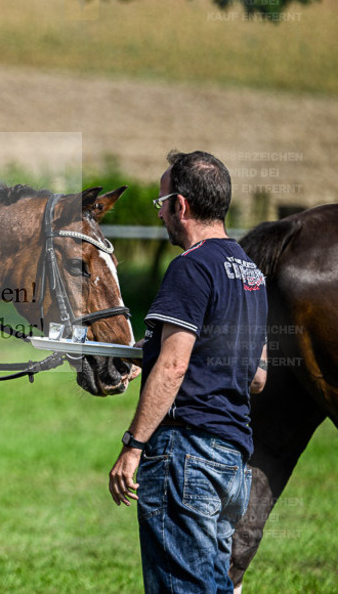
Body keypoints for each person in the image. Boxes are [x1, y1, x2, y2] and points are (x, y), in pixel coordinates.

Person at [108, 150, 268, 592]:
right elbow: (257, 376)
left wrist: (133, 446)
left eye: (161, 203)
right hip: (232, 464)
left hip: (186, 456)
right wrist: (147, 354)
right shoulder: (252, 275)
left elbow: (175, 364)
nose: (159, 214)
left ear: (181, 205)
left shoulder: (191, 266)